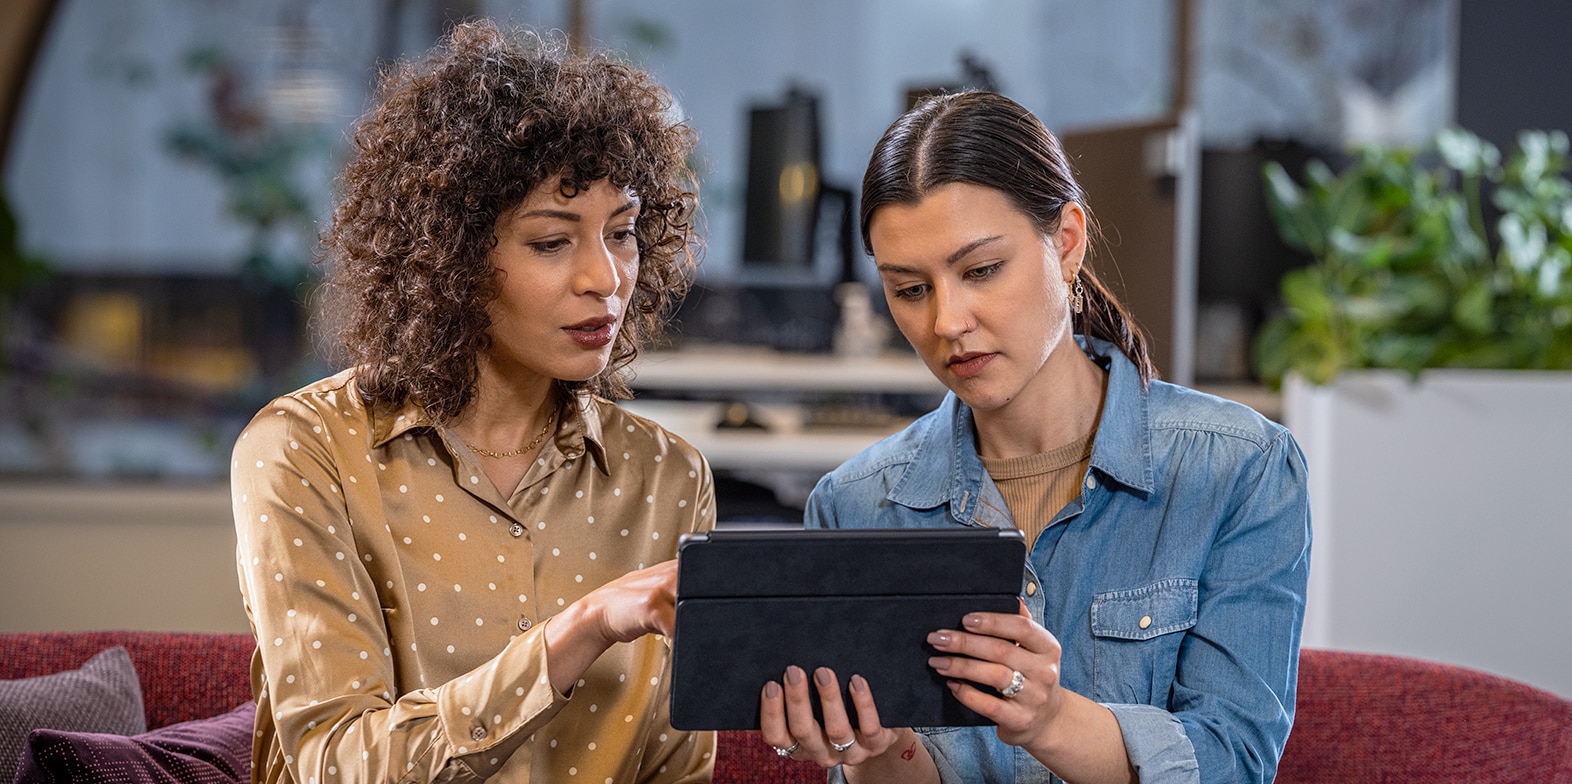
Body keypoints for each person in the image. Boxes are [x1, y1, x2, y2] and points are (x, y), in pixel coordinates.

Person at [758, 91, 1311, 784]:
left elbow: (1236, 762)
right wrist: (878, 749)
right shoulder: (852, 506)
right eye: (909, 289)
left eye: (981, 270)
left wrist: (1051, 721)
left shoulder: (1241, 469)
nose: (947, 322)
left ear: (1067, 241)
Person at [230, 21, 716, 784]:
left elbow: (677, 770)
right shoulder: (306, 449)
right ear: (447, 256)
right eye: (552, 243)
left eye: (621, 233)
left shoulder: (668, 478)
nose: (606, 278)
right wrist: (582, 628)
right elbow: (337, 763)